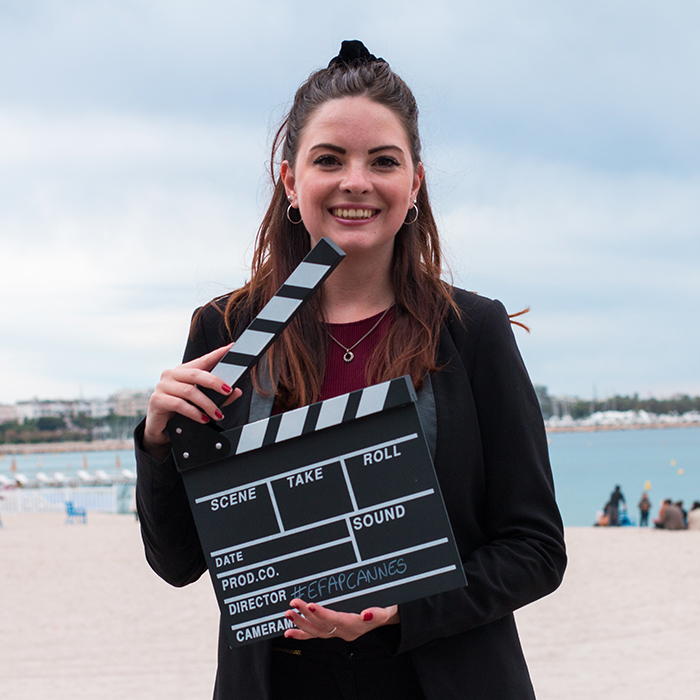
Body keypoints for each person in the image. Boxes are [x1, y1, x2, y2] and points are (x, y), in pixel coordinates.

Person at [135, 40, 567, 700]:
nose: (356, 182)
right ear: (290, 181)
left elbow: (535, 549)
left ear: (414, 183)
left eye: (383, 161)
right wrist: (159, 442)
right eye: (329, 159)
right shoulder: (228, 330)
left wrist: (403, 613)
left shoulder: (473, 332)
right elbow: (179, 563)